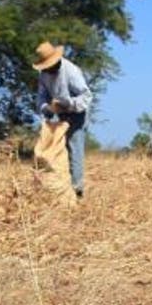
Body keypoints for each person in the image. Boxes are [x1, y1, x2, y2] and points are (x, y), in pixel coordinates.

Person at [34, 41, 93, 198]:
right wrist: (47, 108)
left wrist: (69, 104)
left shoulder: (71, 71)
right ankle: (60, 189)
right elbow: (41, 97)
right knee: (60, 151)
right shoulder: (43, 75)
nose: (47, 68)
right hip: (59, 115)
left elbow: (86, 96)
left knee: (75, 149)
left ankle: (77, 190)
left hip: (77, 113)